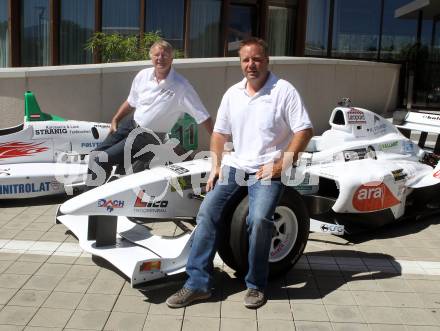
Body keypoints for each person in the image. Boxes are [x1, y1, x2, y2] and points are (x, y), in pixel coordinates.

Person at [166, 37, 313, 309]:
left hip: (267, 169)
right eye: (246, 60)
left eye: (256, 59)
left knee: (258, 220)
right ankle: (198, 284)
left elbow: (304, 130)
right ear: (240, 63)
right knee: (207, 212)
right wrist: (216, 166)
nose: (251, 65)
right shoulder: (233, 94)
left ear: (267, 60)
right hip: (236, 167)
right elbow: (220, 133)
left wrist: (282, 164)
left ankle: (256, 285)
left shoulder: (283, 91)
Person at [87, 40, 213, 187]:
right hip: (130, 125)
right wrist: (116, 119)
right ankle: (96, 193)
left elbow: (204, 116)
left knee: (100, 160)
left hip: (148, 137)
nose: (160, 58)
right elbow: (131, 102)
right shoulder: (143, 75)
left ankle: (89, 200)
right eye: (157, 54)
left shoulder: (181, 87)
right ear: (151, 57)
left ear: (172, 59)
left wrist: (220, 146)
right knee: (95, 155)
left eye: (165, 55)